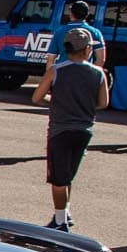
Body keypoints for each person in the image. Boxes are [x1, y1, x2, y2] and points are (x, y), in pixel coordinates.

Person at [30, 25, 106, 232]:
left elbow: (37, 97)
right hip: (84, 130)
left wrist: (54, 102)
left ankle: (60, 221)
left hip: (60, 129)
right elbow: (103, 103)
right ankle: (65, 213)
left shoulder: (56, 70)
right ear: (87, 49)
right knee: (68, 175)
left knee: (57, 179)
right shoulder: (98, 73)